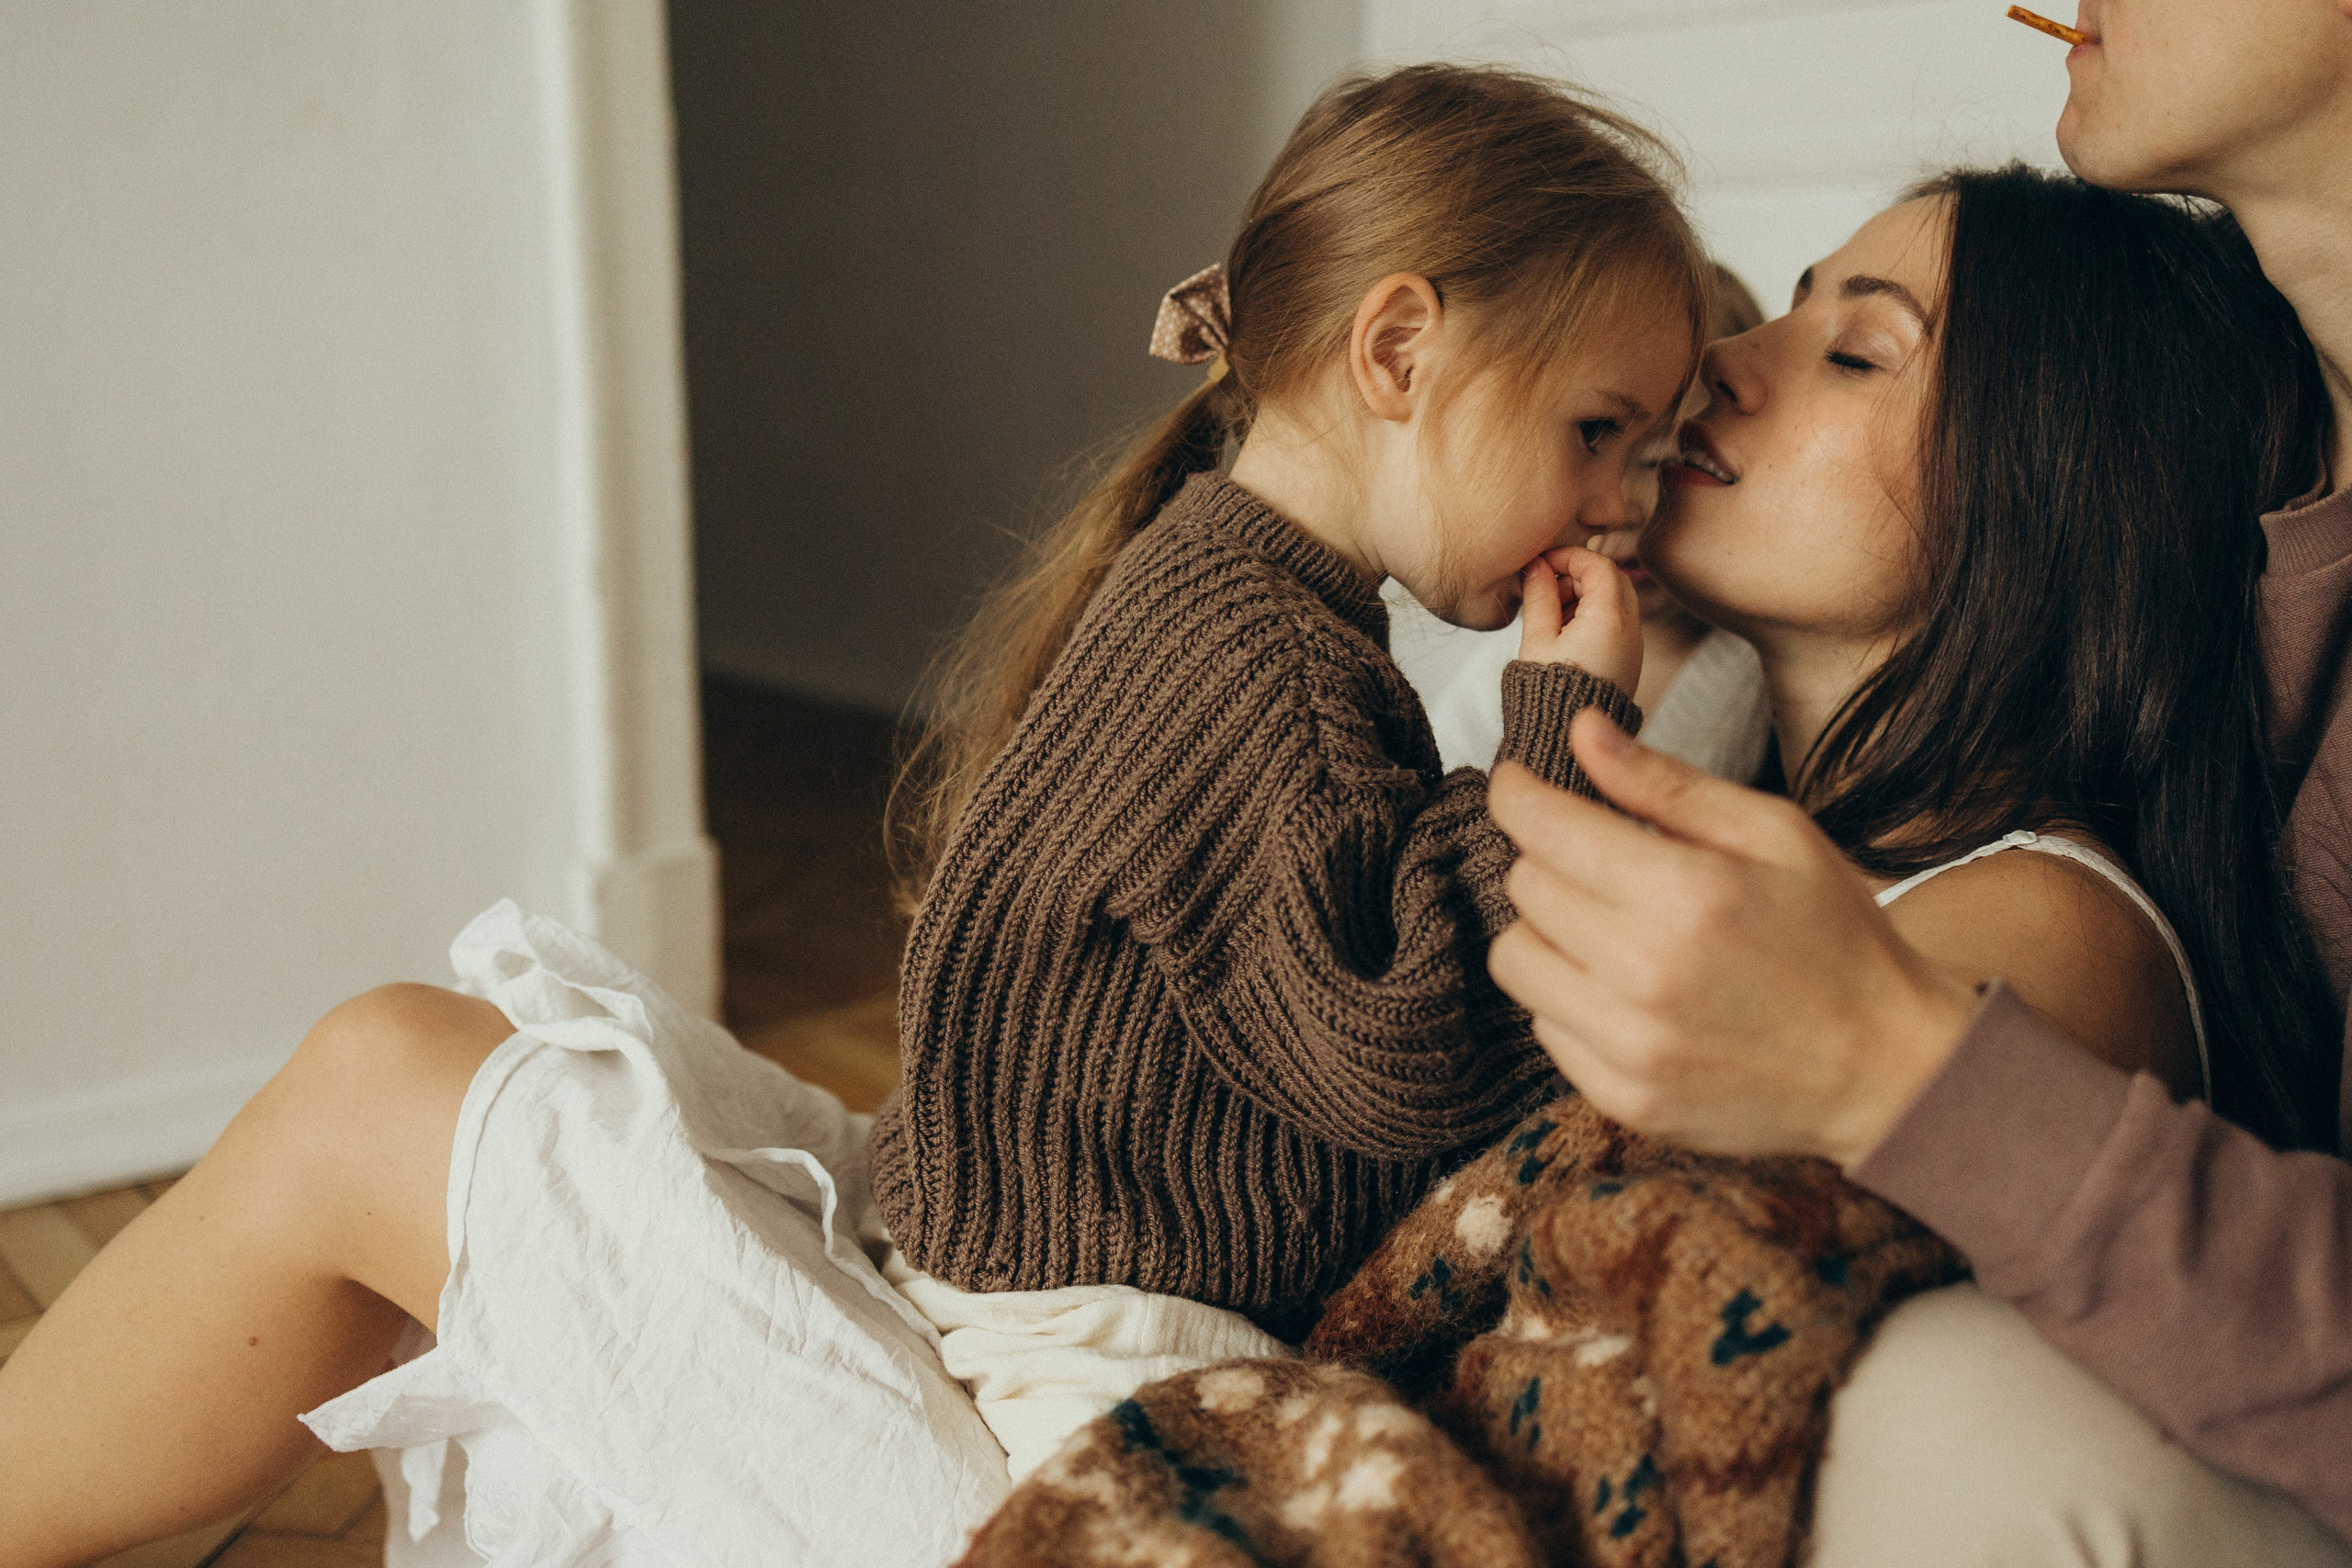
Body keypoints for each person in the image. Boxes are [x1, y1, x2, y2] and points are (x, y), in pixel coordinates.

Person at [0, 64, 1710, 1565]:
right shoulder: (1255, 656)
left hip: (1058, 1311)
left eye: (1652, 451)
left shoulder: (1249, 602)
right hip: (1076, 1350)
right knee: (398, 1070)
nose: (1624, 503)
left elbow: (1371, 1007)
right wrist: (1562, 734)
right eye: (1598, 429)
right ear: (1399, 346)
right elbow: (1401, 1036)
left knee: (393, 1076)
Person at [1483, 0, 2352, 1545]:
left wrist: (1899, 1063)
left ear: (2044, 497)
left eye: (1861, 348)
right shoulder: (1741, 732)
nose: (1724, 366)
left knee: (1950, 1405)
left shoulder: (2042, 925)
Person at [1387, 261, 1772, 783]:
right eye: (1588, 445)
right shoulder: (1527, 649)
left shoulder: (1756, 678)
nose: (1620, 508)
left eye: (1666, 465)